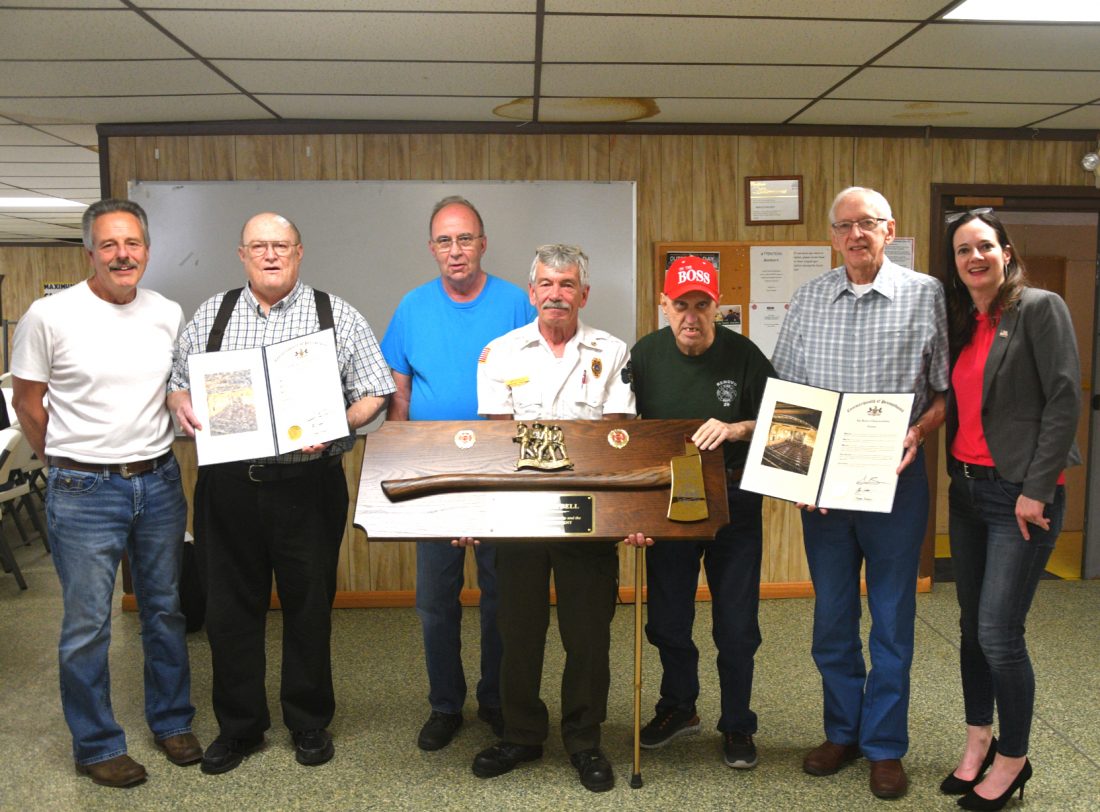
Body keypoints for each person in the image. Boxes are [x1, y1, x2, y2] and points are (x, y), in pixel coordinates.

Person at [168, 212, 393, 774]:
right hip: (229, 488)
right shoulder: (211, 316)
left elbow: (375, 392)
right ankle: (240, 728)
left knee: (309, 605)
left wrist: (337, 422)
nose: (271, 255)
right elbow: (177, 386)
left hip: (307, 485)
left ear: (299, 252)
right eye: (259, 247)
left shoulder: (335, 314)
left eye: (282, 246)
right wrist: (181, 404)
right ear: (242, 255)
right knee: (228, 610)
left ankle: (308, 721)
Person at [11, 198, 200, 788]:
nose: (123, 256)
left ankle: (171, 721)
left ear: (147, 249)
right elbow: (27, 405)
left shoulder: (168, 312)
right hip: (83, 488)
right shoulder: (48, 316)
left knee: (165, 611)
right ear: (89, 252)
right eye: (110, 245)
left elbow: (179, 385)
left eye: (133, 244)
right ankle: (96, 745)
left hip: (158, 480)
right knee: (88, 624)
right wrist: (67, 462)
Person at [771, 187, 949, 800]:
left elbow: (943, 389)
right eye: (844, 226)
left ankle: (884, 746)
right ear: (832, 235)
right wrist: (793, 472)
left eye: (867, 224)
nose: (856, 235)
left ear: (889, 229)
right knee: (833, 618)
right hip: (824, 491)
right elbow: (787, 391)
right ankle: (841, 732)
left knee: (894, 620)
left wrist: (919, 431)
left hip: (895, 484)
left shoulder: (926, 294)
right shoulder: (811, 299)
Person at [470, 244, 634, 792]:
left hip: (588, 513)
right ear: (532, 292)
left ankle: (585, 739)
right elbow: (495, 443)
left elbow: (617, 440)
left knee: (587, 634)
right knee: (518, 630)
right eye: (545, 284)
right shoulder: (500, 352)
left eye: (566, 284)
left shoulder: (612, 352)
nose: (555, 294)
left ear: (583, 294)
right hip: (519, 515)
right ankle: (521, 733)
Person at [937, 210, 1080, 811]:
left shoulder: (1040, 308)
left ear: (1006, 251)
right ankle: (979, 741)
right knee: (972, 627)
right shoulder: (965, 320)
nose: (974, 257)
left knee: (999, 631)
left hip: (1019, 496)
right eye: (964, 249)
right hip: (967, 491)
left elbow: (1064, 398)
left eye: (985, 247)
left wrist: (1037, 488)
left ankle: (1014, 759)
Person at [381, 195, 534, 751]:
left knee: (501, 595)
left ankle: (494, 699)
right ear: (431, 248)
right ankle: (445, 704)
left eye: (465, 238)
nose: (455, 250)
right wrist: (396, 461)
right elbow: (399, 391)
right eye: (444, 241)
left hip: (502, 469)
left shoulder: (517, 303)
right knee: (435, 600)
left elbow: (537, 382)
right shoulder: (412, 307)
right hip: (433, 473)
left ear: (483, 243)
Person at [623, 255, 774, 770]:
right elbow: (624, 435)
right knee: (668, 618)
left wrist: (734, 429)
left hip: (734, 500)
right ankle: (678, 707)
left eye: (702, 305)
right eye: (681, 304)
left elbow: (780, 422)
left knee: (736, 624)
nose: (691, 315)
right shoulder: (644, 357)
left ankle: (737, 723)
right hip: (669, 502)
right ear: (664, 306)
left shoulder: (746, 356)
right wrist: (636, 512)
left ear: (718, 307)